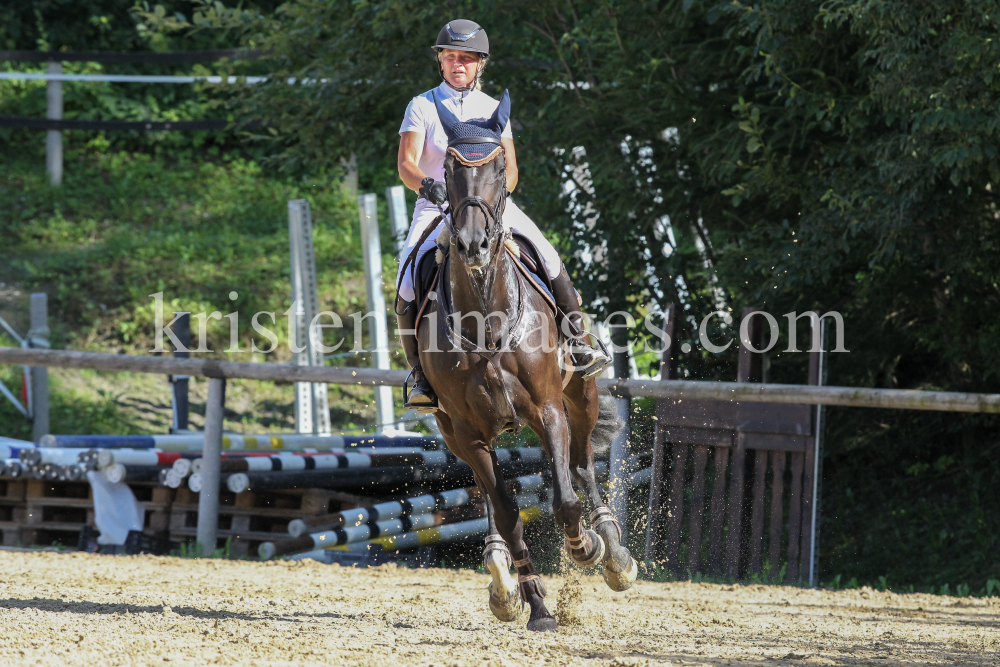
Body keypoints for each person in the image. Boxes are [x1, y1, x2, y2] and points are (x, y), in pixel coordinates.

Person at [395, 19, 611, 411]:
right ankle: (420, 376)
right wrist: (428, 186)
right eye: (450, 58)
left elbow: (510, 169)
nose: (457, 64)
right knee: (407, 282)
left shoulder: (494, 108)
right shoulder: (422, 106)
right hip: (436, 206)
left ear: (481, 64)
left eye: (466, 58)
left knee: (546, 254)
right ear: (440, 62)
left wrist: (497, 199)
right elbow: (406, 165)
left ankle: (578, 343)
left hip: (491, 207)